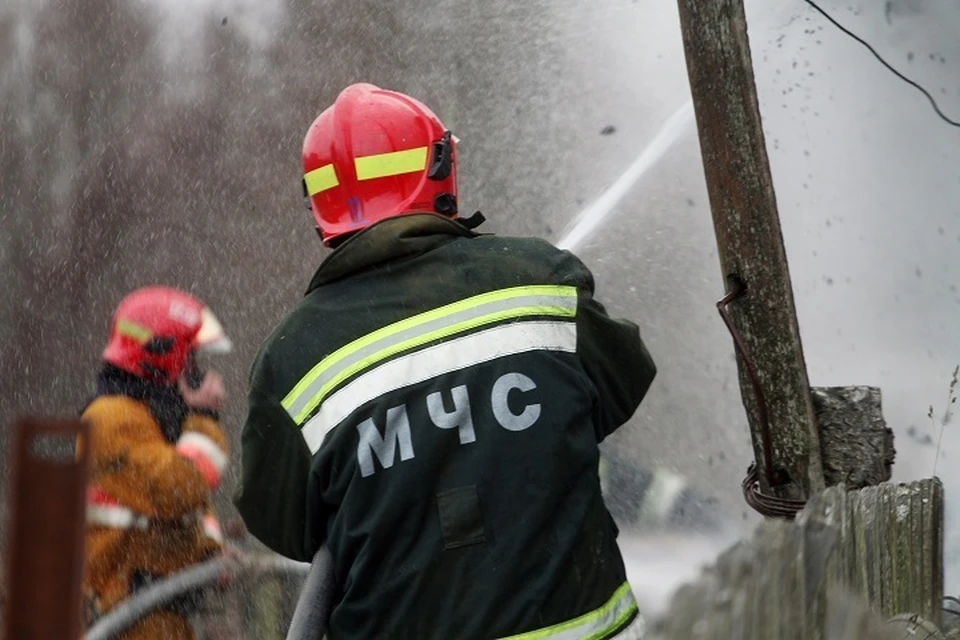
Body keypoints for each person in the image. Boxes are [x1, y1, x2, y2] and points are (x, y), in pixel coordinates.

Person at [234, 83, 657, 639]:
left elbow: (284, 524)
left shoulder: (291, 360)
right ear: (438, 168)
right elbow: (625, 381)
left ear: (322, 203)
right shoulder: (538, 278)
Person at [82, 286, 232, 639]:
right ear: (161, 355)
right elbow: (178, 488)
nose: (196, 372)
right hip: (124, 619)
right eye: (190, 359)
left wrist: (208, 552)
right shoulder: (110, 420)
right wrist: (205, 418)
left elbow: (187, 510)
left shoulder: (149, 419)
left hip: (157, 617)